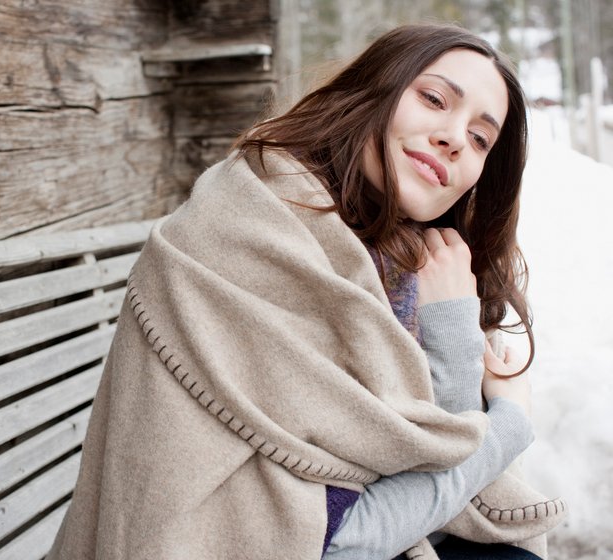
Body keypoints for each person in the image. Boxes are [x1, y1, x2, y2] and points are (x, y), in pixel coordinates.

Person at [47, 24, 565, 560]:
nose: (455, 137)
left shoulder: (405, 265)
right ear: (374, 92)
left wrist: (452, 325)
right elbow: (336, 543)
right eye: (434, 98)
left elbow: (431, 479)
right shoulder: (244, 231)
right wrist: (507, 426)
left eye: (480, 138)